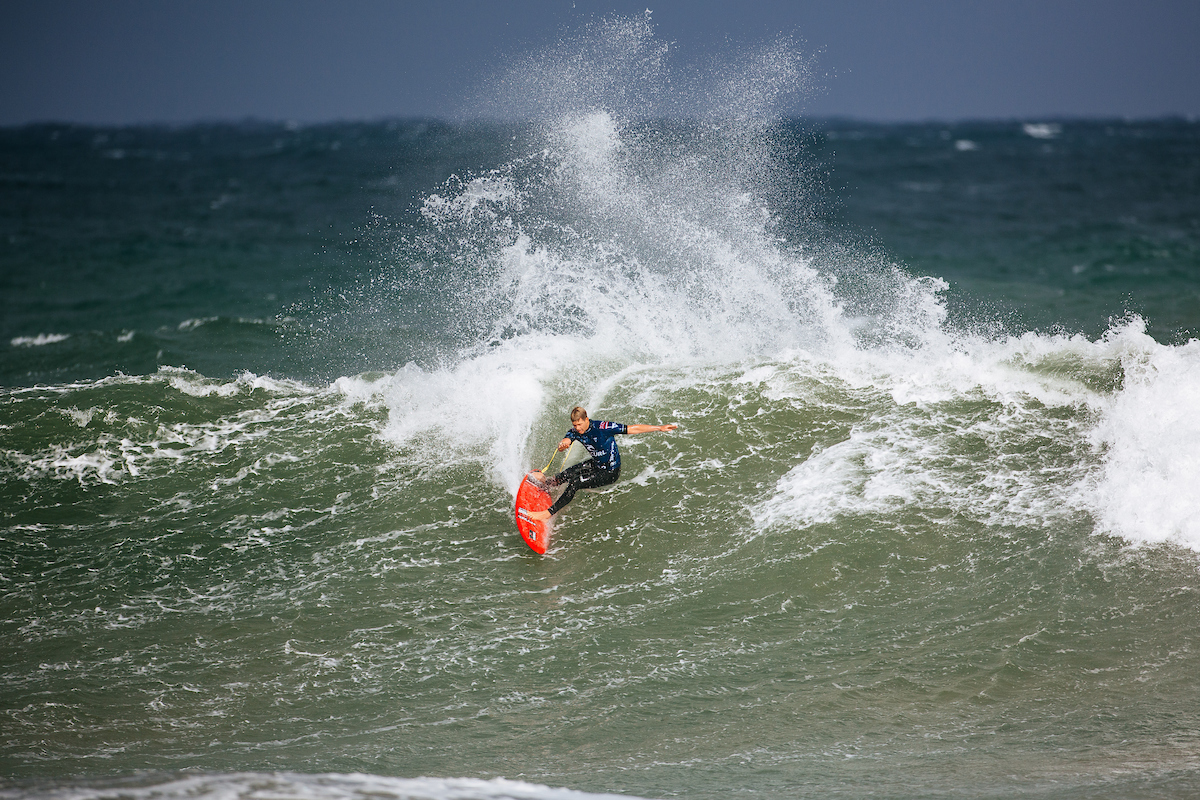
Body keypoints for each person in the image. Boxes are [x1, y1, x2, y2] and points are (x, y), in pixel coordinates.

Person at [528, 406, 677, 521]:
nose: (578, 428)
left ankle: (547, 514)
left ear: (586, 419)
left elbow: (632, 428)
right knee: (565, 474)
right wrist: (564, 444)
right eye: (575, 425)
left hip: (610, 472)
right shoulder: (575, 431)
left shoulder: (603, 428)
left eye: (580, 424)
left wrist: (659, 428)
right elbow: (567, 439)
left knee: (575, 482)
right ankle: (545, 485)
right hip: (596, 464)